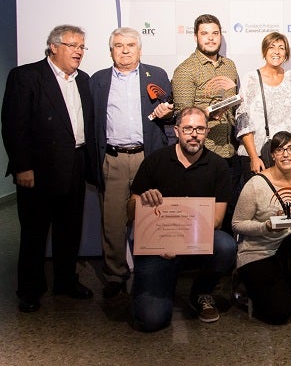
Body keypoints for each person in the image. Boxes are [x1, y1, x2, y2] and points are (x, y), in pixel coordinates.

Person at [2, 25, 98, 313]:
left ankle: (66, 281)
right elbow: (14, 126)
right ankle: (30, 290)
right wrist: (22, 167)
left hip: (75, 165)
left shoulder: (83, 80)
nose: (78, 51)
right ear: (54, 47)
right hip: (39, 170)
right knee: (34, 233)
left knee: (69, 230)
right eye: (72, 45)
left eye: (82, 46)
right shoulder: (26, 76)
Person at [128, 107, 236, 332]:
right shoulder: (155, 161)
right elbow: (130, 211)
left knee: (226, 246)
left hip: (195, 242)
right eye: (188, 129)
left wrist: (178, 242)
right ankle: (160, 286)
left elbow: (216, 220)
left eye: (200, 129)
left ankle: (200, 291)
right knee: (151, 320)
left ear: (207, 132)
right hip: (158, 246)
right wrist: (142, 203)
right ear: (176, 131)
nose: (194, 134)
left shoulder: (218, 166)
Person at [89, 27, 174, 299]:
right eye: (118, 45)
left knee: (153, 217)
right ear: (111, 50)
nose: (125, 50)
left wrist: (167, 113)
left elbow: (172, 117)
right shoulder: (98, 80)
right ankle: (115, 274)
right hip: (113, 159)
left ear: (140, 49)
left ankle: (153, 270)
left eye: (130, 45)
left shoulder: (157, 75)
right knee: (113, 222)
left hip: (147, 158)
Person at [232, 131, 291, 325]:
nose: (286, 154)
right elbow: (237, 224)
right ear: (273, 155)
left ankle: (283, 283)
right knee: (279, 313)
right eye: (280, 149)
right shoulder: (256, 184)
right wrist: (266, 227)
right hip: (258, 252)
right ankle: (246, 283)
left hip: (288, 247)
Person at [171, 14, 240, 192]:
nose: (211, 38)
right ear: (195, 37)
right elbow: (182, 116)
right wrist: (208, 113)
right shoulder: (185, 70)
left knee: (229, 207)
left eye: (215, 33)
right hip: (202, 155)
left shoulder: (229, 65)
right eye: (204, 33)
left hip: (230, 153)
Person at [235, 32, 291, 183]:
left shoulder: (290, 78)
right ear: (264, 51)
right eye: (271, 47)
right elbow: (243, 120)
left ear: (286, 53)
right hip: (258, 155)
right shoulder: (251, 78)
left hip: (285, 156)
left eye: (281, 48)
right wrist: (254, 157)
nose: (276, 51)